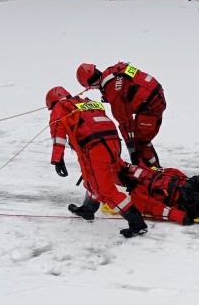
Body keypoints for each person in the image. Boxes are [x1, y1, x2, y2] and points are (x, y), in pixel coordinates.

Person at [45, 85, 148, 238]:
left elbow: (58, 135)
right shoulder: (85, 101)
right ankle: (88, 209)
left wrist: (57, 160)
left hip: (95, 147)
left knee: (105, 190)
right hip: (113, 143)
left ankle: (137, 223)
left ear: (52, 103)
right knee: (92, 178)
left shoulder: (60, 107)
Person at [76, 62, 166, 168]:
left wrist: (131, 148)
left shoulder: (113, 91)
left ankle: (155, 172)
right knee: (142, 139)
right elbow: (129, 84)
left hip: (152, 105)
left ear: (91, 83)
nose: (93, 89)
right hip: (154, 96)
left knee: (139, 142)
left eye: (91, 87)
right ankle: (152, 170)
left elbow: (125, 121)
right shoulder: (111, 73)